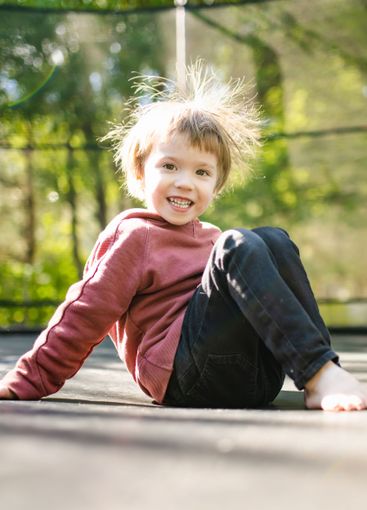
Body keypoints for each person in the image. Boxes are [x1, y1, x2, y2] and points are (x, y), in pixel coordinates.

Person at [1, 63, 366, 412]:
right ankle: (319, 372)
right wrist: (28, 378)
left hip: (259, 379)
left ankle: (321, 371)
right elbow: (86, 312)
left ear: (216, 186)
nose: (185, 181)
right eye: (170, 166)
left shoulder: (214, 240)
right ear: (141, 174)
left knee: (274, 239)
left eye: (202, 172)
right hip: (185, 375)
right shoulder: (135, 234)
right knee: (239, 244)